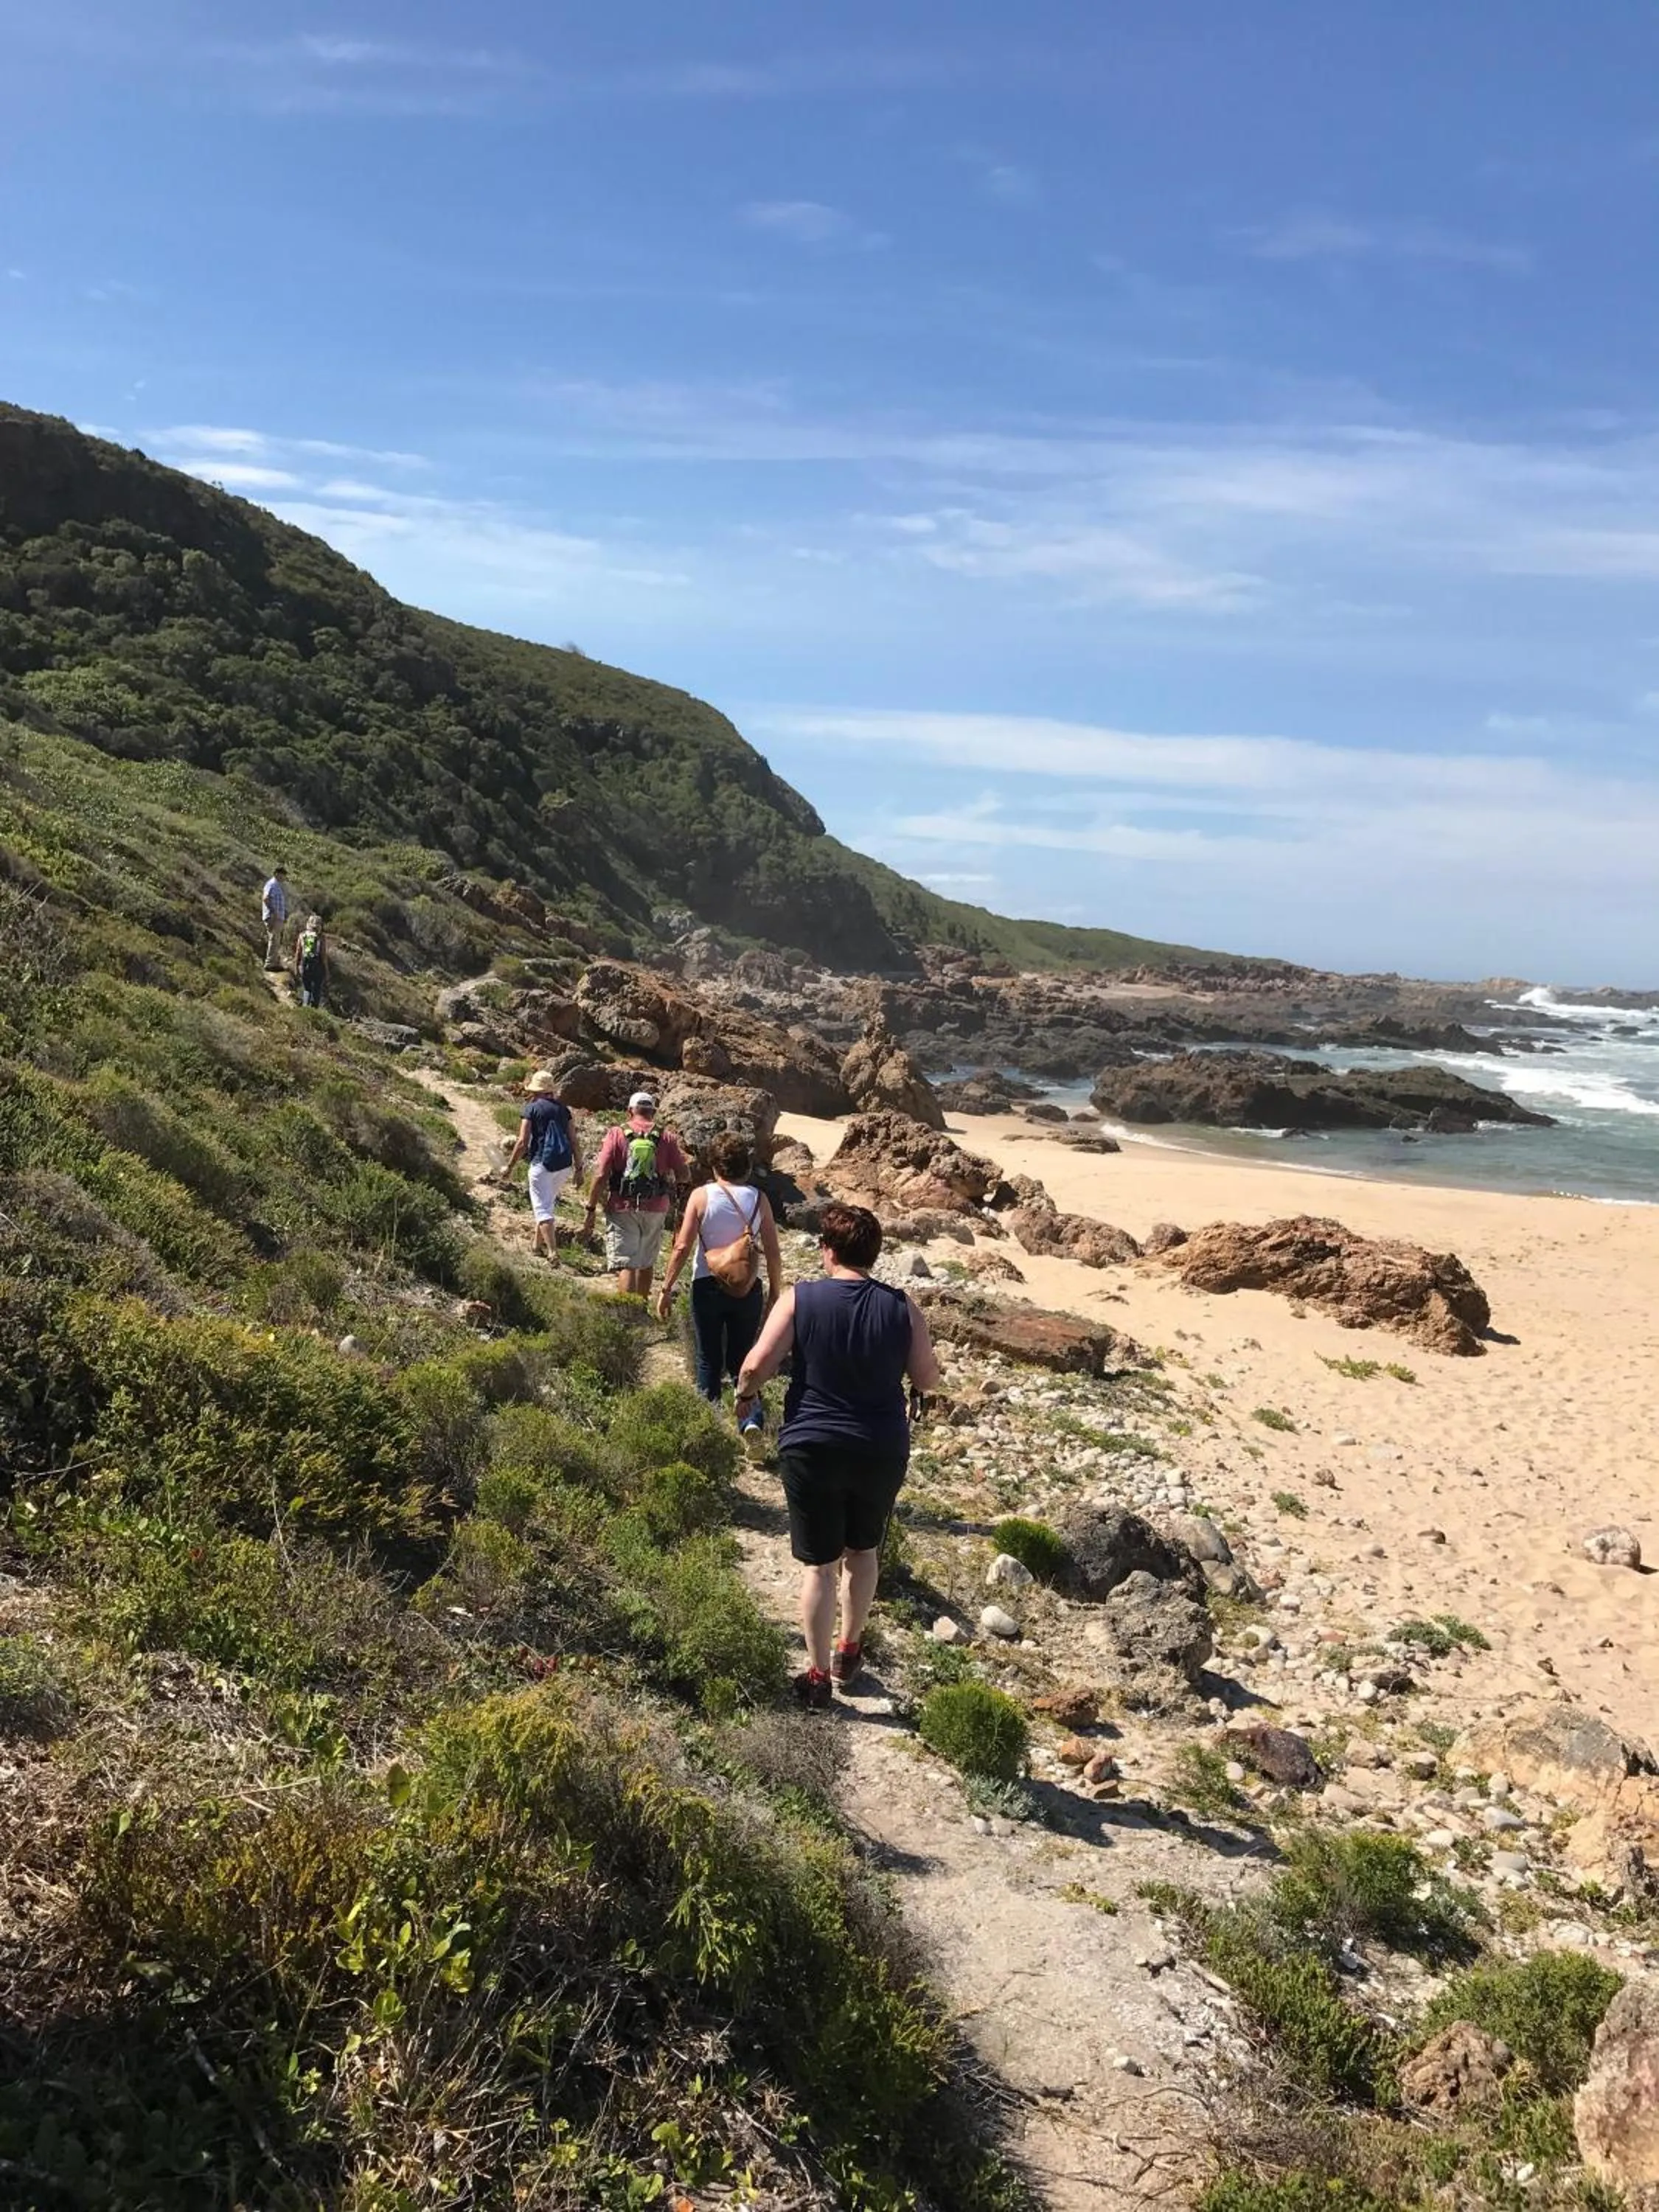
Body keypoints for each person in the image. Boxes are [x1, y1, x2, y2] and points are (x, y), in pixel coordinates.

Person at [734, 1202, 940, 1708]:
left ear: (827, 1249)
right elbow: (928, 1378)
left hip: (813, 1446)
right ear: (873, 1254)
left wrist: (745, 1397)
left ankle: (819, 1674)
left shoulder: (801, 1300)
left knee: (820, 1567)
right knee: (863, 1552)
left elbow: (757, 1365)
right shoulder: (902, 1307)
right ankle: (851, 1649)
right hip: (880, 1448)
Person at [654, 1132, 783, 1456]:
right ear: (747, 1167)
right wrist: (775, 1293)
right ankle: (750, 1421)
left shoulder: (702, 1196)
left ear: (715, 1166)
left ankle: (706, 1426)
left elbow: (683, 1246)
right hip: (747, 1287)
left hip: (707, 1284)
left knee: (708, 1359)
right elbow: (773, 1251)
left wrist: (667, 1287)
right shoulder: (759, 1199)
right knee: (744, 1360)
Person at [581, 1090, 689, 1301]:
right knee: (646, 1262)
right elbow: (684, 1175)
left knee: (626, 1263)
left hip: (623, 1206)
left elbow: (601, 1173)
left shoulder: (616, 1133)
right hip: (657, 1207)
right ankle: (641, 1310)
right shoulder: (666, 1136)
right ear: (652, 1112)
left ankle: (628, 1315)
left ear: (630, 1111)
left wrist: (591, 1207)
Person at [503, 1069, 582, 1264]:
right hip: (564, 1166)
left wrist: (510, 1166)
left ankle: (553, 1253)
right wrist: (579, 1169)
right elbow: (574, 1141)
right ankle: (536, 1246)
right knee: (546, 1203)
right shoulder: (564, 1110)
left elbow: (522, 1142)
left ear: (536, 1091)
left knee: (543, 1209)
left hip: (541, 1164)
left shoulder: (532, 1109)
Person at [293, 911, 330, 1009]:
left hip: (305, 964)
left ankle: (305, 1009)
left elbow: (298, 953)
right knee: (317, 989)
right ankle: (314, 1011)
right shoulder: (321, 937)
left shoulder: (302, 935)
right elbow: (323, 955)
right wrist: (326, 970)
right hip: (317, 965)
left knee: (307, 989)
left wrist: (296, 967)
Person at [261, 864, 290, 970]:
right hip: (274, 917)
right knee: (274, 939)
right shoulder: (271, 884)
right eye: (283, 875)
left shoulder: (277, 886)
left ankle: (274, 962)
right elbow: (266, 898)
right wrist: (274, 912)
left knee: (276, 940)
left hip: (278, 917)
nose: (284, 877)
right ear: (277, 874)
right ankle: (270, 964)